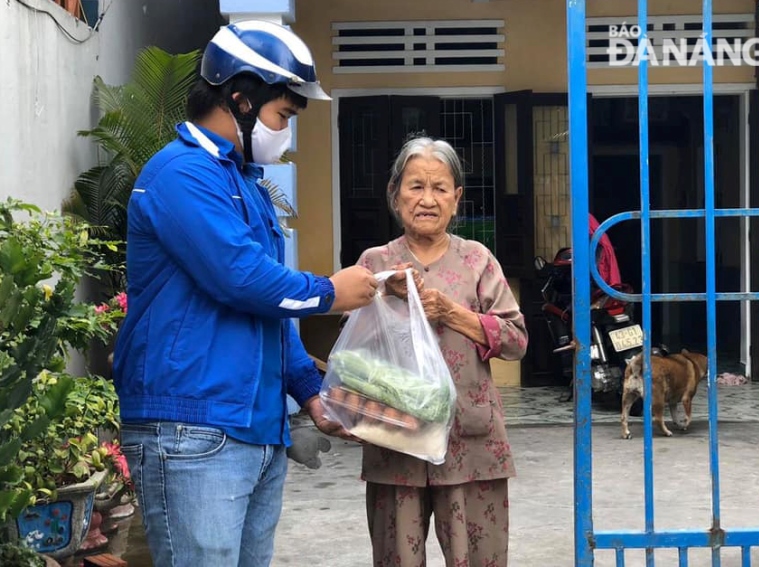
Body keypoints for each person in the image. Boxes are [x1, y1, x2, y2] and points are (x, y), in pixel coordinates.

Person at [112, 20, 378, 567]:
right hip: (192, 425)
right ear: (240, 98)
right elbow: (242, 279)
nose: (286, 132)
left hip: (252, 428)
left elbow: (267, 313)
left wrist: (309, 391)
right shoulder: (182, 176)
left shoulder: (242, 182)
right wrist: (331, 292)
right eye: (283, 115)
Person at [354, 136, 529, 567]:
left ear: (457, 199)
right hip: (396, 439)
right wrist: (387, 299)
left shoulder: (478, 260)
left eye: (440, 188)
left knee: (479, 558)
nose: (427, 200)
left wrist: (453, 313)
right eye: (415, 186)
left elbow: (517, 340)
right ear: (395, 194)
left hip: (470, 440)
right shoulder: (374, 263)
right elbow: (351, 352)